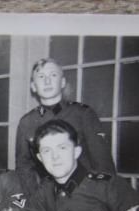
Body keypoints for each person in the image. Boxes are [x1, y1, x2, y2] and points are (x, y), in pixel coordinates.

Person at [15, 58, 115, 197]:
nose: (47, 81)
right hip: (48, 198)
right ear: (33, 86)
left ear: (62, 82)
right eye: (41, 77)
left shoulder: (82, 114)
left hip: (85, 196)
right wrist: (36, 198)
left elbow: (103, 165)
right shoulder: (27, 122)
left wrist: (99, 199)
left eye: (53, 75)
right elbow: (24, 167)